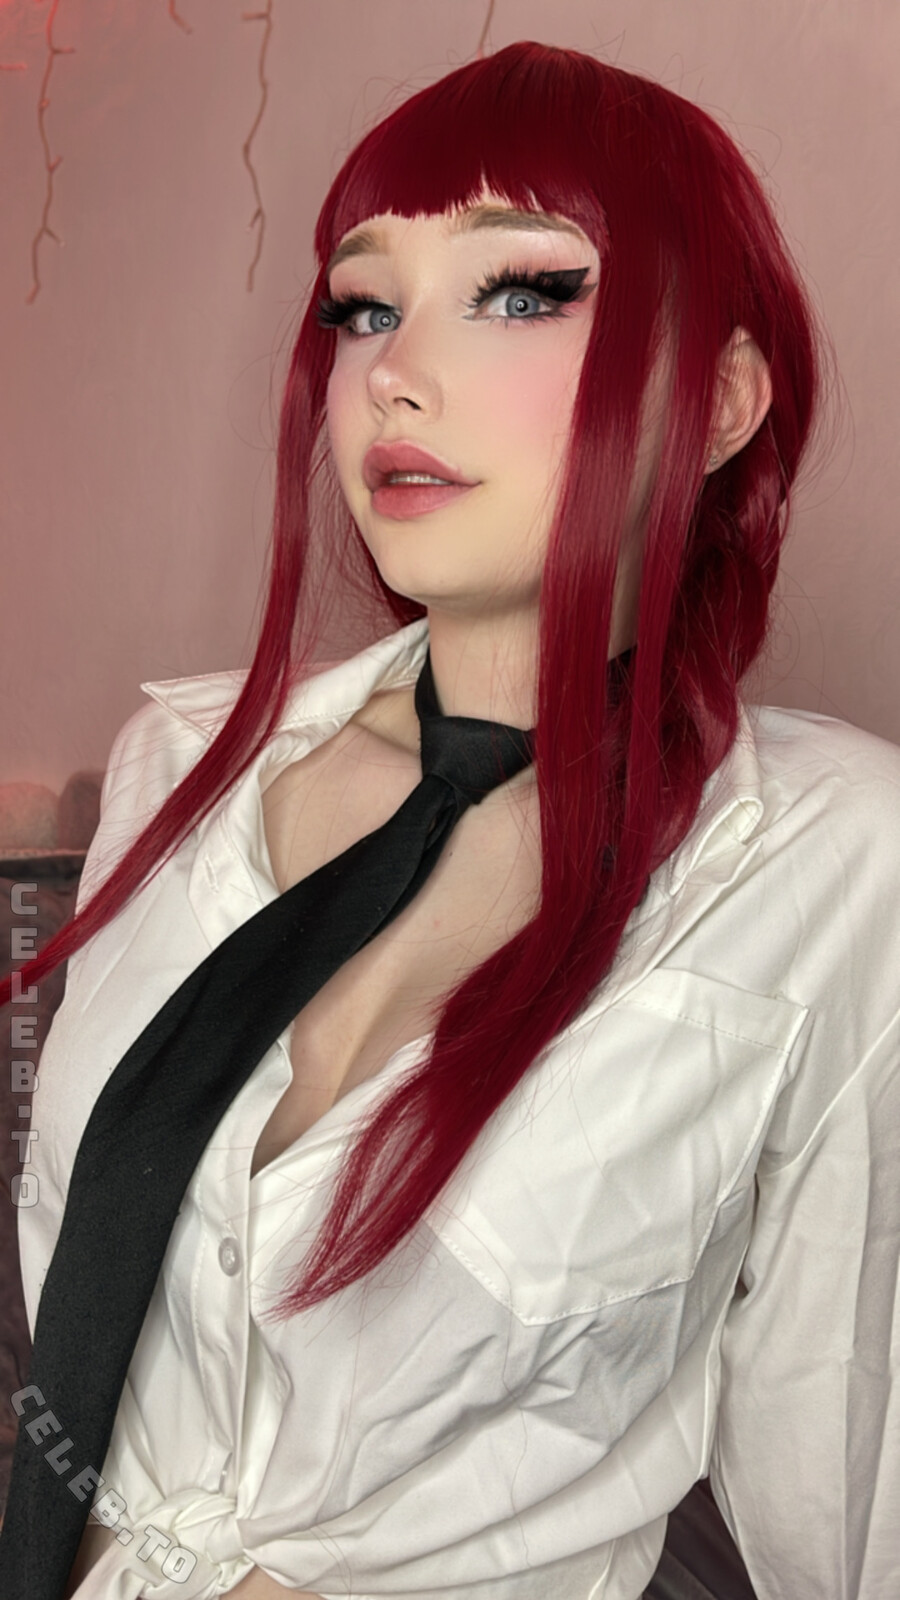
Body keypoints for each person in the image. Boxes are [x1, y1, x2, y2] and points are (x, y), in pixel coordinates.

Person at [2, 37, 898, 1600]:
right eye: (364, 305)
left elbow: (846, 1479)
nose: (392, 375)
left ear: (720, 399)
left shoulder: (832, 860)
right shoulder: (183, 763)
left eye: (523, 291)